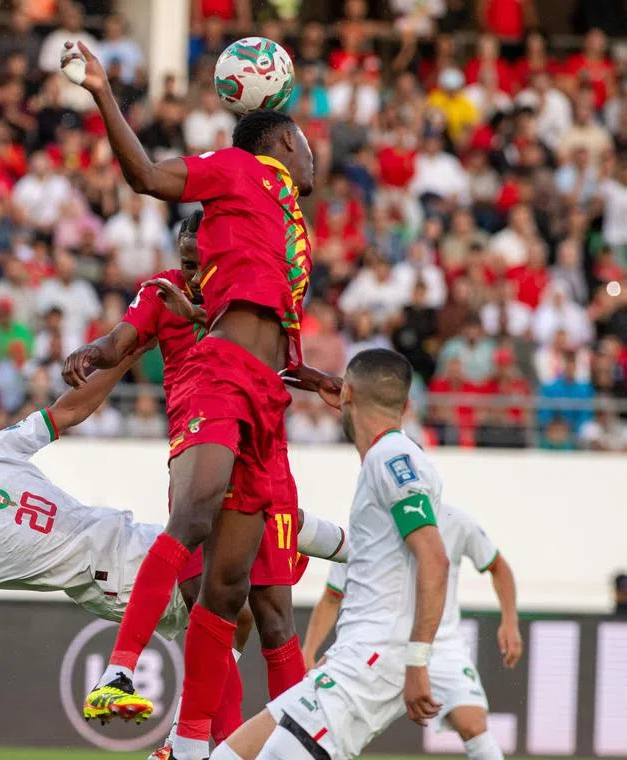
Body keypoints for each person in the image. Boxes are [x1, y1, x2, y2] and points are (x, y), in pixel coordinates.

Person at [0, 352, 348, 760]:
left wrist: (128, 349)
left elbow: (68, 409)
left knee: (259, 528)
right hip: (109, 575)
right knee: (228, 598)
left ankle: (183, 738)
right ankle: (197, 741)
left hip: (132, 533)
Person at [61, 42, 336, 760]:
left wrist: (323, 382)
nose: (314, 157)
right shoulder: (237, 169)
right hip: (221, 376)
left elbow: (272, 318)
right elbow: (149, 175)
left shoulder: (290, 224)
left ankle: (195, 748)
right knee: (195, 514)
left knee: (235, 589)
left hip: (268, 400)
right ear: (280, 139)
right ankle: (120, 670)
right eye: (304, 142)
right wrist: (102, 93)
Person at [207, 348, 450, 760]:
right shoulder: (390, 456)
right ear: (407, 405)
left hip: (373, 660)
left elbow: (434, 557)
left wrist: (417, 659)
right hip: (353, 656)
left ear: (348, 394)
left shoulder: (392, 459)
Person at [302, 502, 522, 759]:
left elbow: (499, 567)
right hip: (380, 644)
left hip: (441, 645)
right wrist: (308, 650)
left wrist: (510, 621)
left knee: (473, 724)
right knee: (333, 722)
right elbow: (332, 596)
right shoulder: (365, 525)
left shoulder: (455, 521)